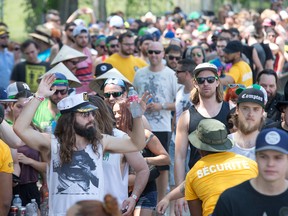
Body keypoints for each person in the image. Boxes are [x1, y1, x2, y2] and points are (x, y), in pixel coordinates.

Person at [13, 73, 148, 215]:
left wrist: (137, 116)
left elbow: (136, 145)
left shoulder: (101, 141)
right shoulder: (52, 144)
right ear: (70, 119)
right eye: (85, 114)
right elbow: (19, 128)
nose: (91, 118)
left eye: (92, 113)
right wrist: (39, 95)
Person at [157, 119, 258, 216]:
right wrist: (168, 197)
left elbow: (196, 213)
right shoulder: (250, 164)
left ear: (199, 148)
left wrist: (167, 198)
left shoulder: (195, 173)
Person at [174, 63, 229, 214]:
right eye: (201, 80)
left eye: (210, 79)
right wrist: (180, 193)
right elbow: (179, 157)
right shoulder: (186, 117)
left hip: (226, 179)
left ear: (218, 82)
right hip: (198, 180)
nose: (206, 83)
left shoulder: (230, 109)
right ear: (195, 83)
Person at [90, 96, 149, 216]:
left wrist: (133, 197)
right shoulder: (76, 141)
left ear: (99, 115)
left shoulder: (119, 137)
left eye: (89, 114)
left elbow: (143, 169)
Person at [133, 41, 177, 202]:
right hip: (141, 125)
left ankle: (161, 202)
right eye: (151, 52)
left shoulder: (171, 74)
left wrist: (161, 106)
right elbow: (134, 97)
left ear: (163, 54)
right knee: (139, 163)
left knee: (163, 166)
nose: (153, 55)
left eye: (157, 52)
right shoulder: (139, 74)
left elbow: (178, 103)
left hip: (162, 125)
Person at [113, 100, 170, 216]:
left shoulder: (145, 135)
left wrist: (144, 161)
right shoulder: (114, 138)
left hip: (146, 189)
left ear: (129, 113)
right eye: (114, 113)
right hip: (124, 191)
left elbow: (166, 159)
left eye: (119, 112)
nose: (116, 116)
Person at [213, 128, 288, 215]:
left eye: (278, 157)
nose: (270, 163)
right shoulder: (230, 200)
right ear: (256, 157)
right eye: (263, 156)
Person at [229, 86, 266, 160]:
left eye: (256, 109)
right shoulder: (224, 144)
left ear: (262, 112)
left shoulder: (268, 146)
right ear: (237, 109)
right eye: (245, 108)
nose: (250, 114)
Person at [71, 25, 95, 93]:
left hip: (89, 91)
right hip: (76, 92)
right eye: (80, 37)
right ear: (74, 38)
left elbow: (91, 73)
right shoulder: (69, 53)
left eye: (86, 37)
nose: (84, 40)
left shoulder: (88, 50)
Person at [0, 24, 14, 88]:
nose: (6, 39)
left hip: (10, 92)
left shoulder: (10, 55)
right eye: (2, 37)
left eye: (7, 37)